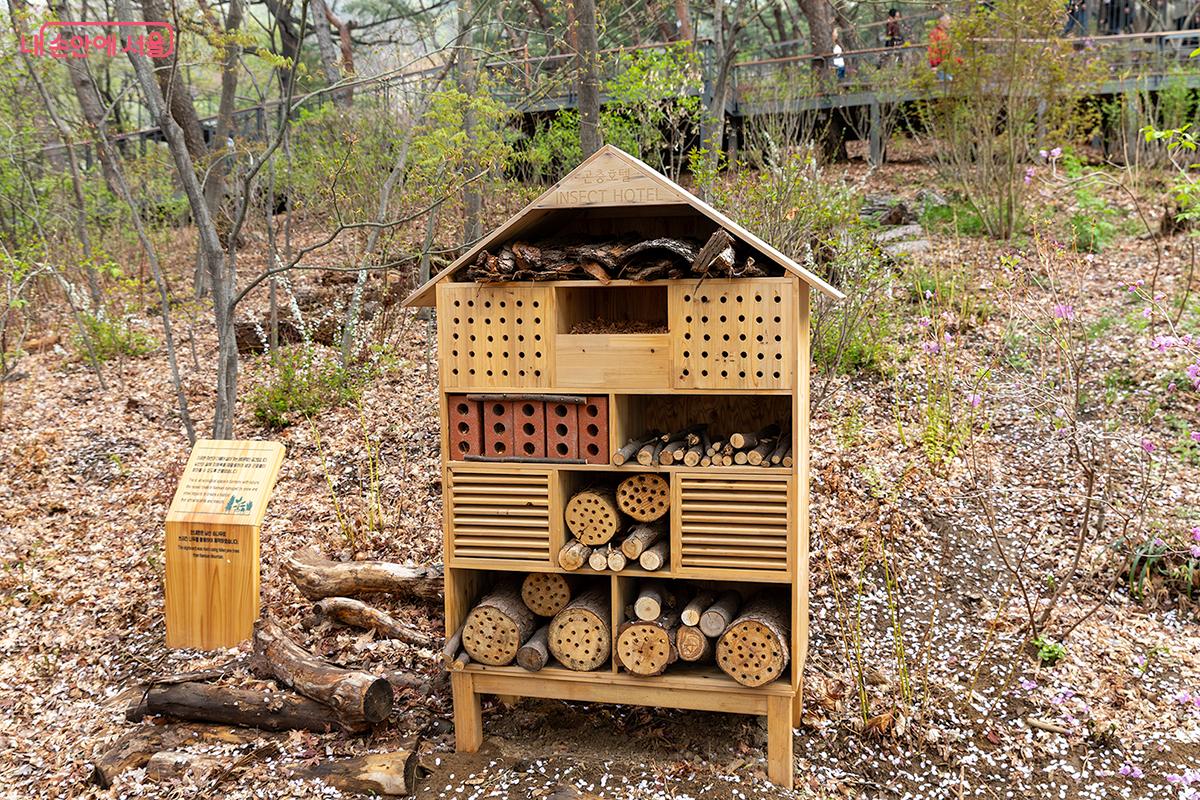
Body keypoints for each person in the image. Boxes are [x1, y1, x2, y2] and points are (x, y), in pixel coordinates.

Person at [928, 14, 953, 79]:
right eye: (948, 20)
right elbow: (932, 50)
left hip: (947, 65)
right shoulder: (935, 33)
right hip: (939, 66)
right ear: (941, 21)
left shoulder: (945, 34)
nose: (950, 22)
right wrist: (934, 65)